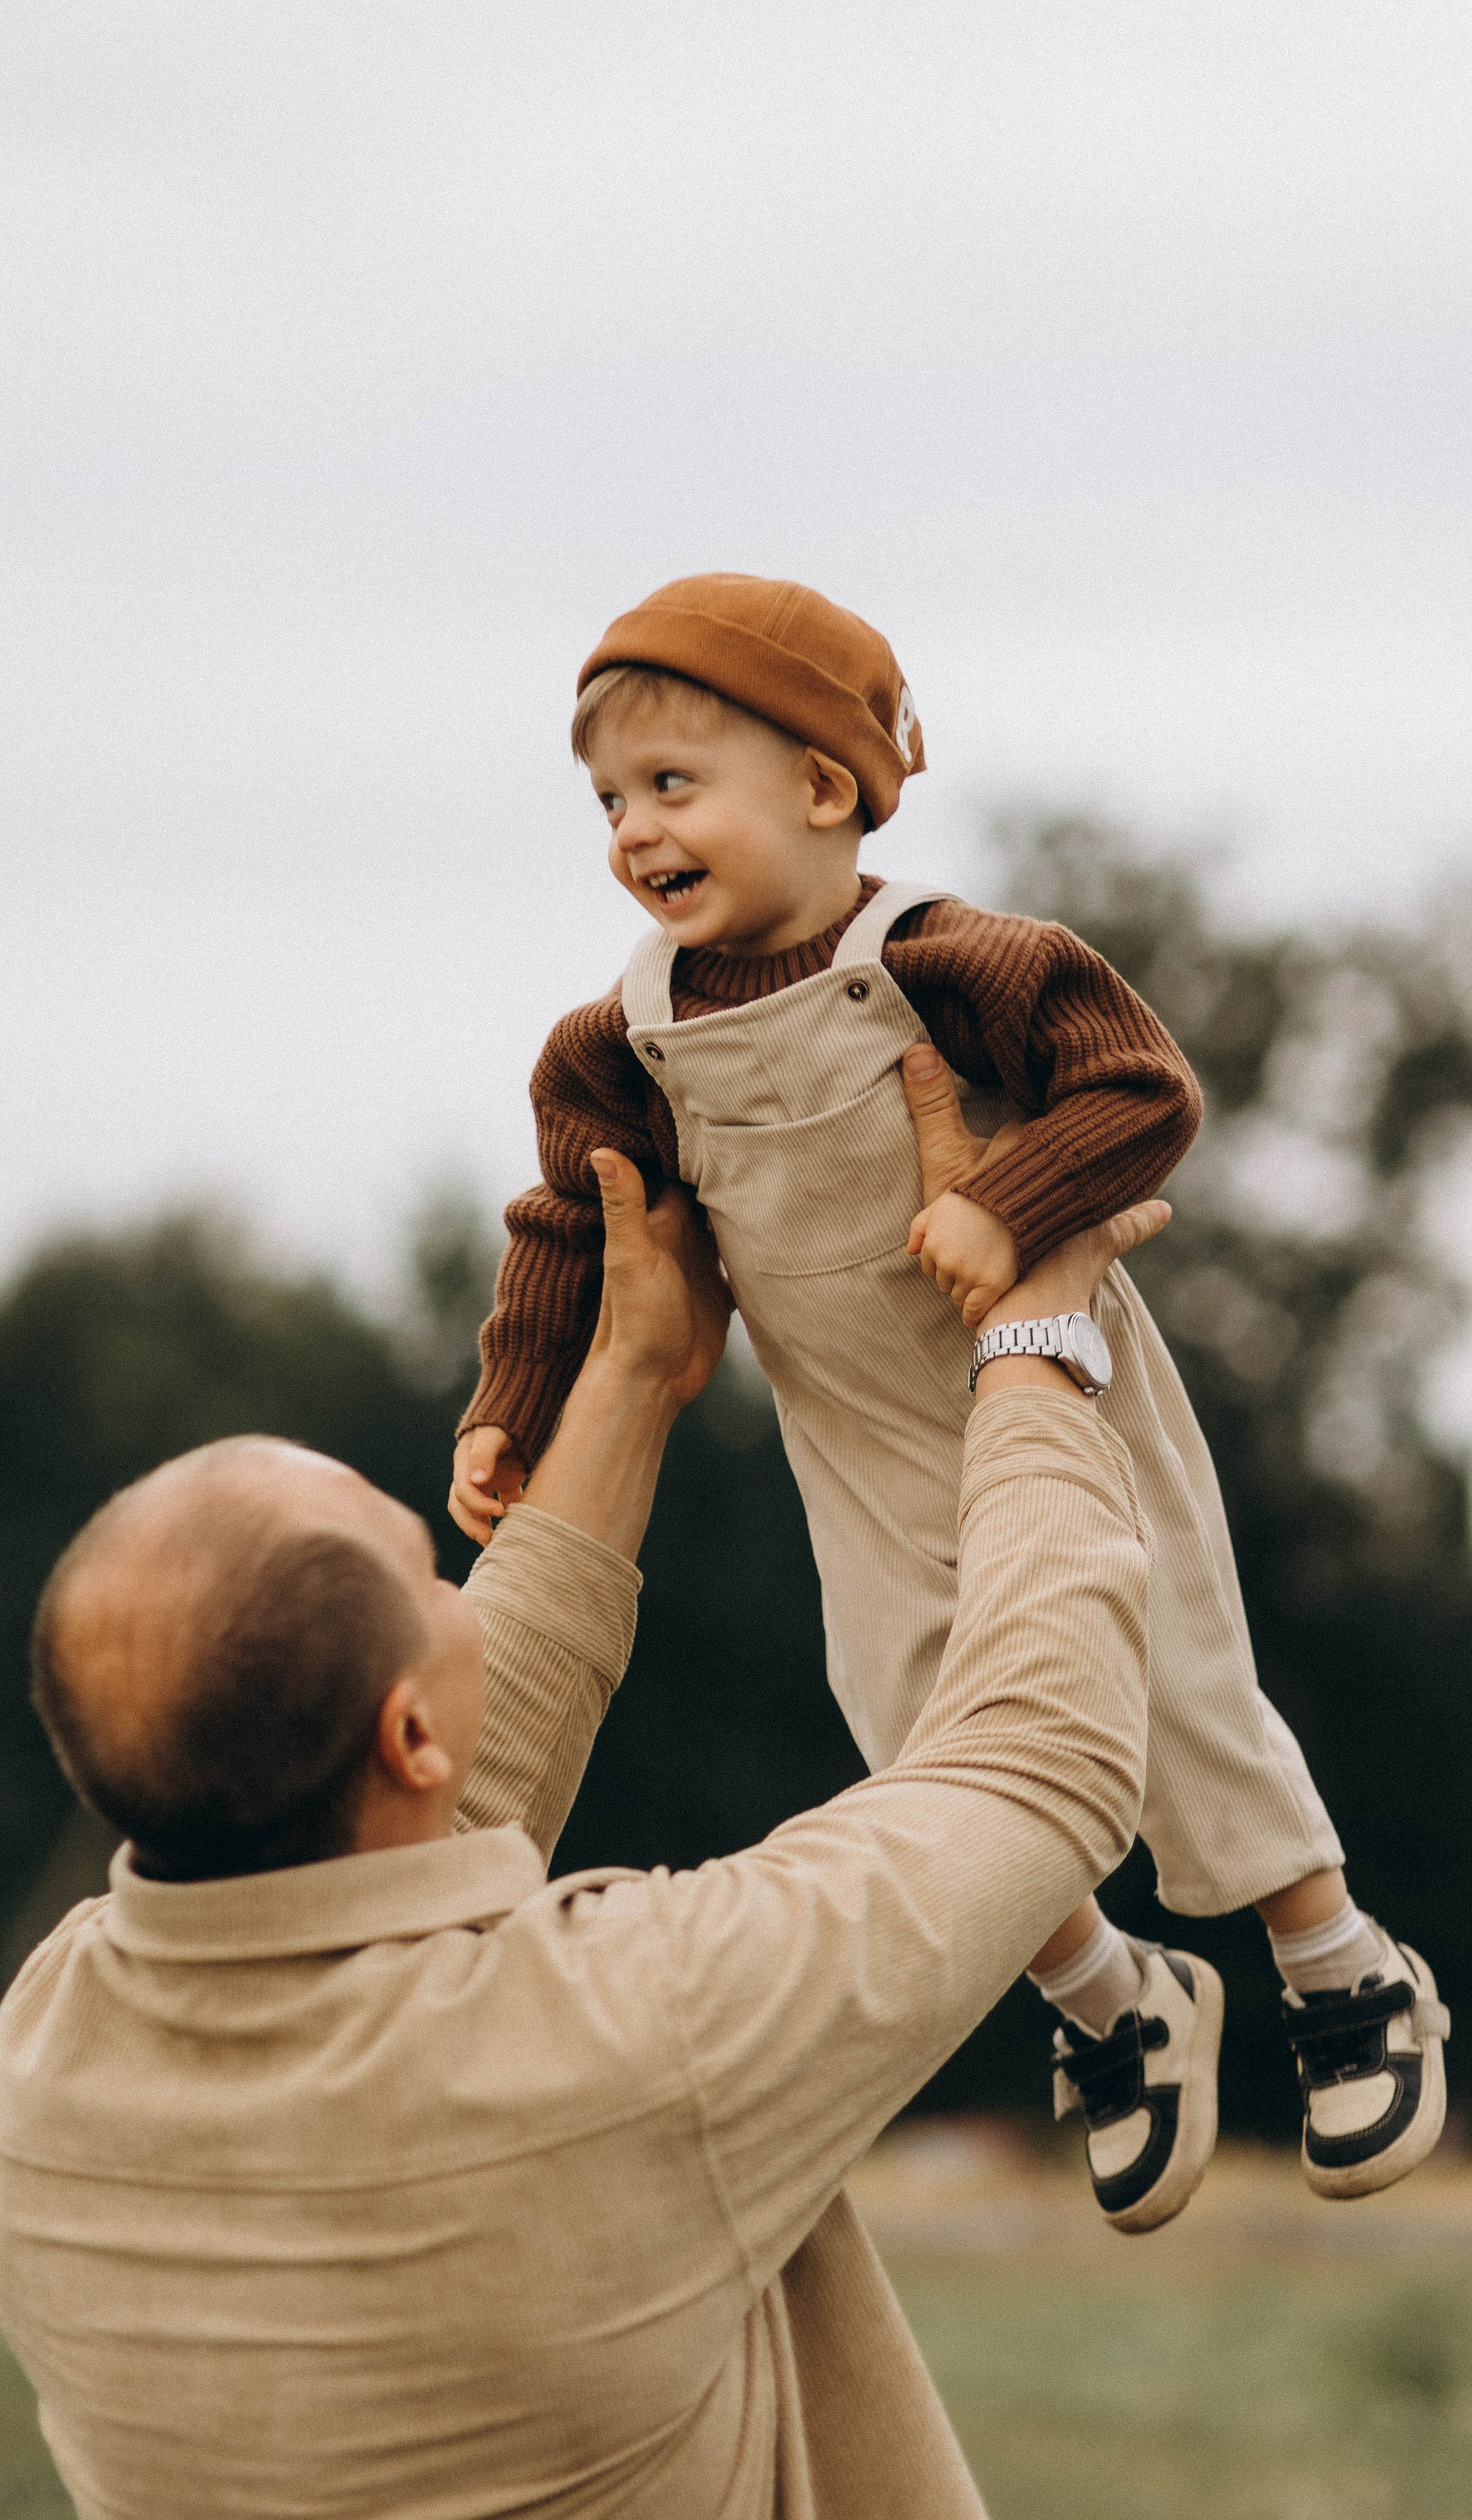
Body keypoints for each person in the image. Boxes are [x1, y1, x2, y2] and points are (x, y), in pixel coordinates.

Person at [2, 1068, 1170, 2520]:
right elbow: (1036, 1755)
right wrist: (1033, 1341)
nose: (460, 1582)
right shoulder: (633, 2033)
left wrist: (629, 1375)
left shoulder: (40, 2069)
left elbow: (413, 1828)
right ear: (406, 1735)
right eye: (429, 1571)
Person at [450, 573, 1449, 2221]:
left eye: (672, 785)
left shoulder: (942, 959)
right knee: (916, 1723)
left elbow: (1141, 1086)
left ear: (825, 788)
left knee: (1172, 1672)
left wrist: (1008, 1201)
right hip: (849, 1431)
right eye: (611, 798)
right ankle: (1111, 1999)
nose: (634, 829)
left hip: (1060, 1390)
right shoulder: (613, 1046)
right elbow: (576, 1225)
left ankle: (1334, 1960)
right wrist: (513, 1398)